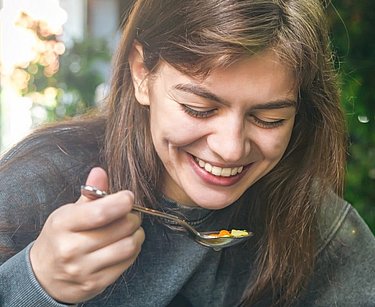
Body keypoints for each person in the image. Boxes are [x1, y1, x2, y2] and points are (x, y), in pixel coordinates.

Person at [0, 0, 374, 306]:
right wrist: (36, 283)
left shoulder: (320, 229)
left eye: (269, 118)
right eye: (199, 108)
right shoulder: (38, 185)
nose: (229, 148)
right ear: (141, 73)